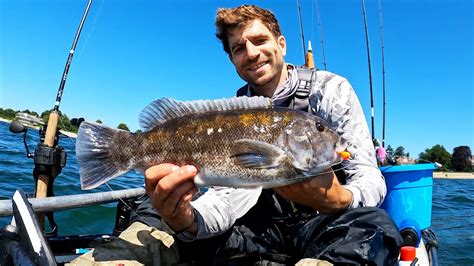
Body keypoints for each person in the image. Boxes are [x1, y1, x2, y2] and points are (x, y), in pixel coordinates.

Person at [71, 5, 402, 266]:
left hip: (322, 225)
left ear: (281, 43)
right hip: (255, 228)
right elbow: (228, 198)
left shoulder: (331, 90)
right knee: (158, 212)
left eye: (259, 40)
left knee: (374, 226)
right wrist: (187, 220)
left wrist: (339, 199)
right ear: (232, 59)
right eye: (239, 48)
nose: (252, 53)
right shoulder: (233, 112)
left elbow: (370, 179)